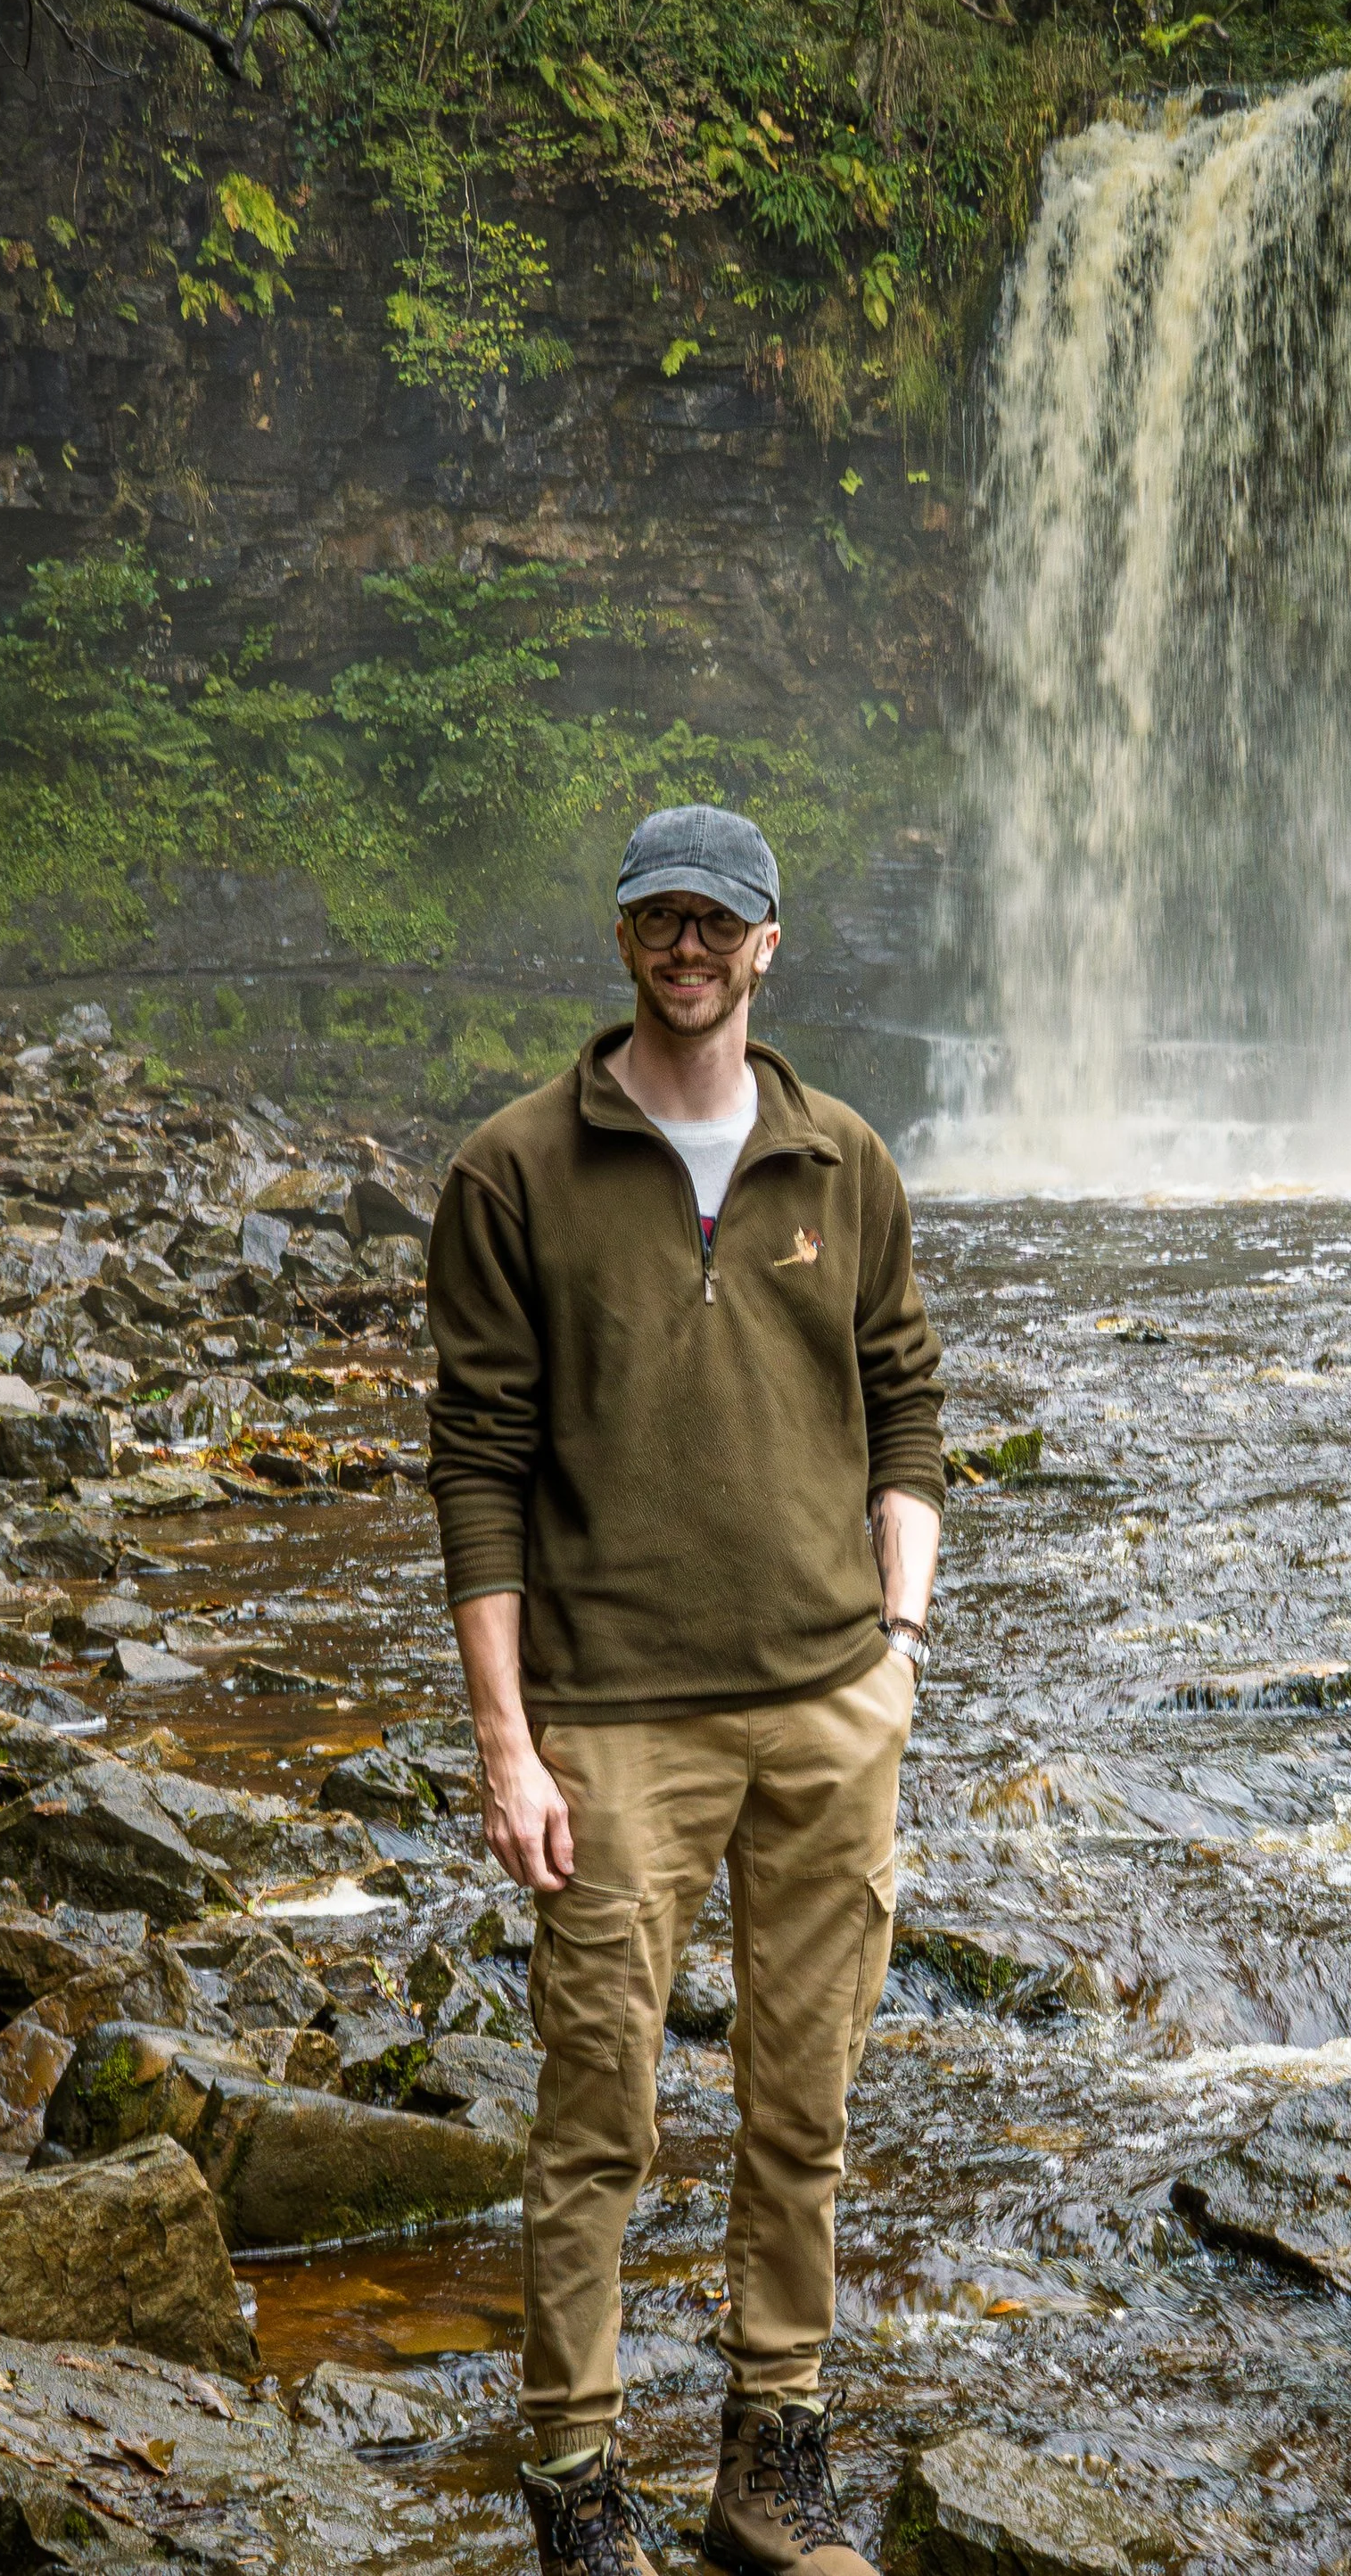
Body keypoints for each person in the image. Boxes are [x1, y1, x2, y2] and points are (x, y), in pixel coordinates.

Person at [426, 803, 946, 2576]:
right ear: (624, 934)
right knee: (600, 2118)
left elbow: (908, 1410)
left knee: (803, 2108)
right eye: (658, 915)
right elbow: (476, 1461)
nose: (686, 943)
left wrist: (898, 1646)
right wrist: (508, 1740)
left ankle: (767, 2465)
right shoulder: (515, 1166)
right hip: (612, 1719)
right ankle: (576, 2484)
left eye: (716, 919)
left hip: (827, 1709)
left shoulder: (845, 1161)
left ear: (766, 940)